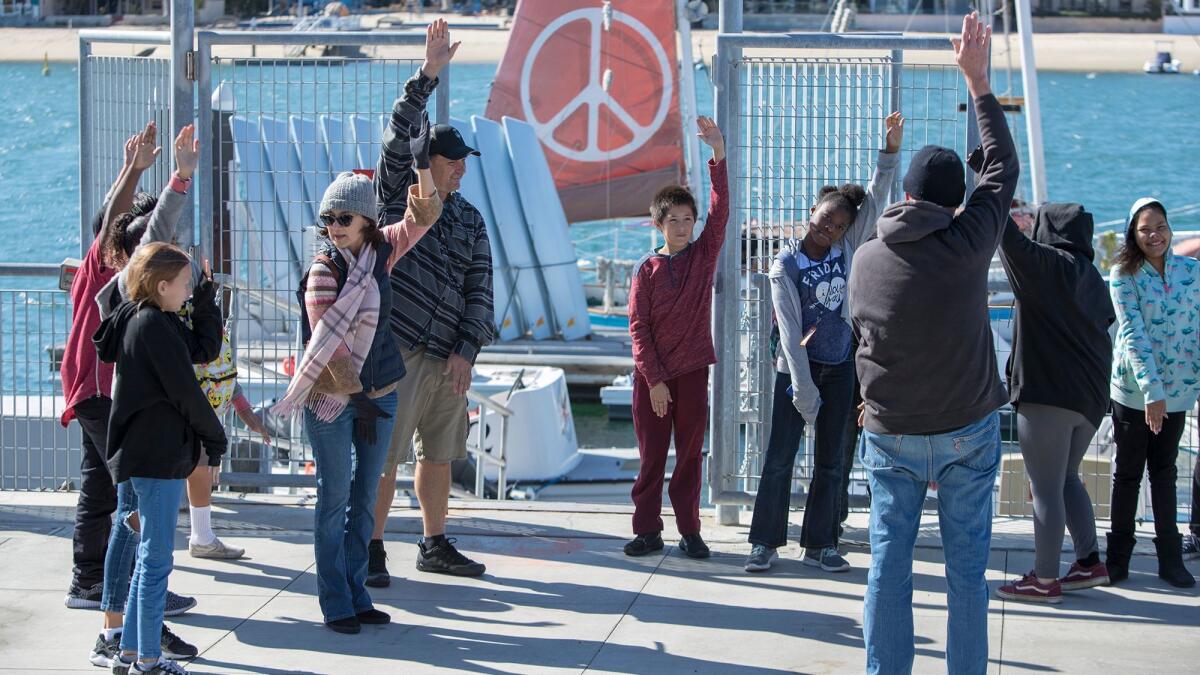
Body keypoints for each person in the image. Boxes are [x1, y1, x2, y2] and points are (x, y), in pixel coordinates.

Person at [848, 13, 1018, 674]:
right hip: (965, 432)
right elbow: (1002, 171)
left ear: (908, 193)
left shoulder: (866, 258)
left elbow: (858, 334)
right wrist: (977, 83)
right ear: (953, 205)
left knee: (888, 564)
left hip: (890, 432)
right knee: (965, 577)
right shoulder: (968, 241)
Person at [272, 135, 442, 634]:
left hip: (380, 394)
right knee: (333, 499)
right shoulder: (323, 274)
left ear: (366, 220)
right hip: (332, 400)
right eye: (328, 219)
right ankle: (335, 602)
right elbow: (332, 351)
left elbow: (424, 216)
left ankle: (357, 590)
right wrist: (361, 400)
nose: (334, 227)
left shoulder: (380, 253)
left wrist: (421, 166)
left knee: (365, 497)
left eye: (344, 218)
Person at [745, 112, 904, 574]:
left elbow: (875, 199)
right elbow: (791, 335)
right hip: (796, 372)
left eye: (837, 225)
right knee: (779, 458)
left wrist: (889, 151)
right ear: (810, 215)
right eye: (823, 220)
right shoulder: (785, 265)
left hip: (840, 367)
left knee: (832, 460)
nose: (828, 229)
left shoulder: (847, 249)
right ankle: (765, 542)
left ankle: (821, 542)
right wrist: (803, 389)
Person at [367, 19, 496, 585]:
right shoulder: (401, 196)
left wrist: (467, 350)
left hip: (448, 357)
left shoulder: (470, 218)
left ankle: (433, 542)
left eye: (464, 161)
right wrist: (427, 75)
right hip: (397, 349)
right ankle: (370, 548)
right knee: (383, 458)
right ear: (430, 164)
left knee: (439, 454)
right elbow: (398, 137)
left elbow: (480, 289)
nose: (461, 168)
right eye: (451, 161)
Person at [84, 125, 207, 670]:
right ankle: (129, 638)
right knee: (141, 533)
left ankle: (128, 631)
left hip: (113, 406)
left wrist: (138, 170)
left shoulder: (122, 293)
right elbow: (132, 224)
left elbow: (123, 221)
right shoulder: (120, 288)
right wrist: (175, 175)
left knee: (122, 517)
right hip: (116, 407)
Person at [93, 242, 227, 675]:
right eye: (185, 285)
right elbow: (185, 392)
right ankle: (149, 661)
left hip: (142, 454)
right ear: (161, 284)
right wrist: (215, 436)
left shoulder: (146, 318)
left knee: (147, 556)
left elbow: (201, 349)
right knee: (155, 561)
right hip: (156, 457)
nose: (188, 292)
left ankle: (131, 652)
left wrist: (206, 300)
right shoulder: (152, 326)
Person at [991, 203, 1115, 604]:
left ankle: (1044, 580)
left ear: (1047, 228)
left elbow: (1003, 234)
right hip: (1091, 400)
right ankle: (1088, 562)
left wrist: (987, 178)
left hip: (1047, 396)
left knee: (1044, 488)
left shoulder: (1042, 263)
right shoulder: (1093, 278)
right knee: (1066, 478)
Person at [63, 122, 160, 611]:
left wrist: (131, 167)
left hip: (91, 393)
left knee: (100, 487)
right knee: (133, 492)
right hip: (99, 394)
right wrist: (136, 169)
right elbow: (113, 220)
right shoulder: (106, 264)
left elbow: (113, 216)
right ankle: (136, 586)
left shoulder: (108, 265)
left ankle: (89, 581)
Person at [623, 116, 727, 559]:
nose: (684, 227)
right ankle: (646, 529)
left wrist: (718, 155)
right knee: (651, 459)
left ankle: (689, 529)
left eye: (689, 219)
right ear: (659, 224)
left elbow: (721, 211)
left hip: (693, 373)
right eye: (675, 221)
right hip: (653, 380)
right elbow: (638, 329)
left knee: (688, 458)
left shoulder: (703, 257)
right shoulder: (645, 271)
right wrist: (656, 379)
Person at [1105, 197, 1200, 589]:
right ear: (1133, 232)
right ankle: (1118, 559)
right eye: (1145, 229)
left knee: (1164, 473)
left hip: (1178, 393)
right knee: (1127, 475)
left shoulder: (1191, 271)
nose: (1154, 235)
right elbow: (1132, 335)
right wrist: (1151, 393)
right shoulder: (1122, 275)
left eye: (1159, 226)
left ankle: (1170, 559)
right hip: (1133, 394)